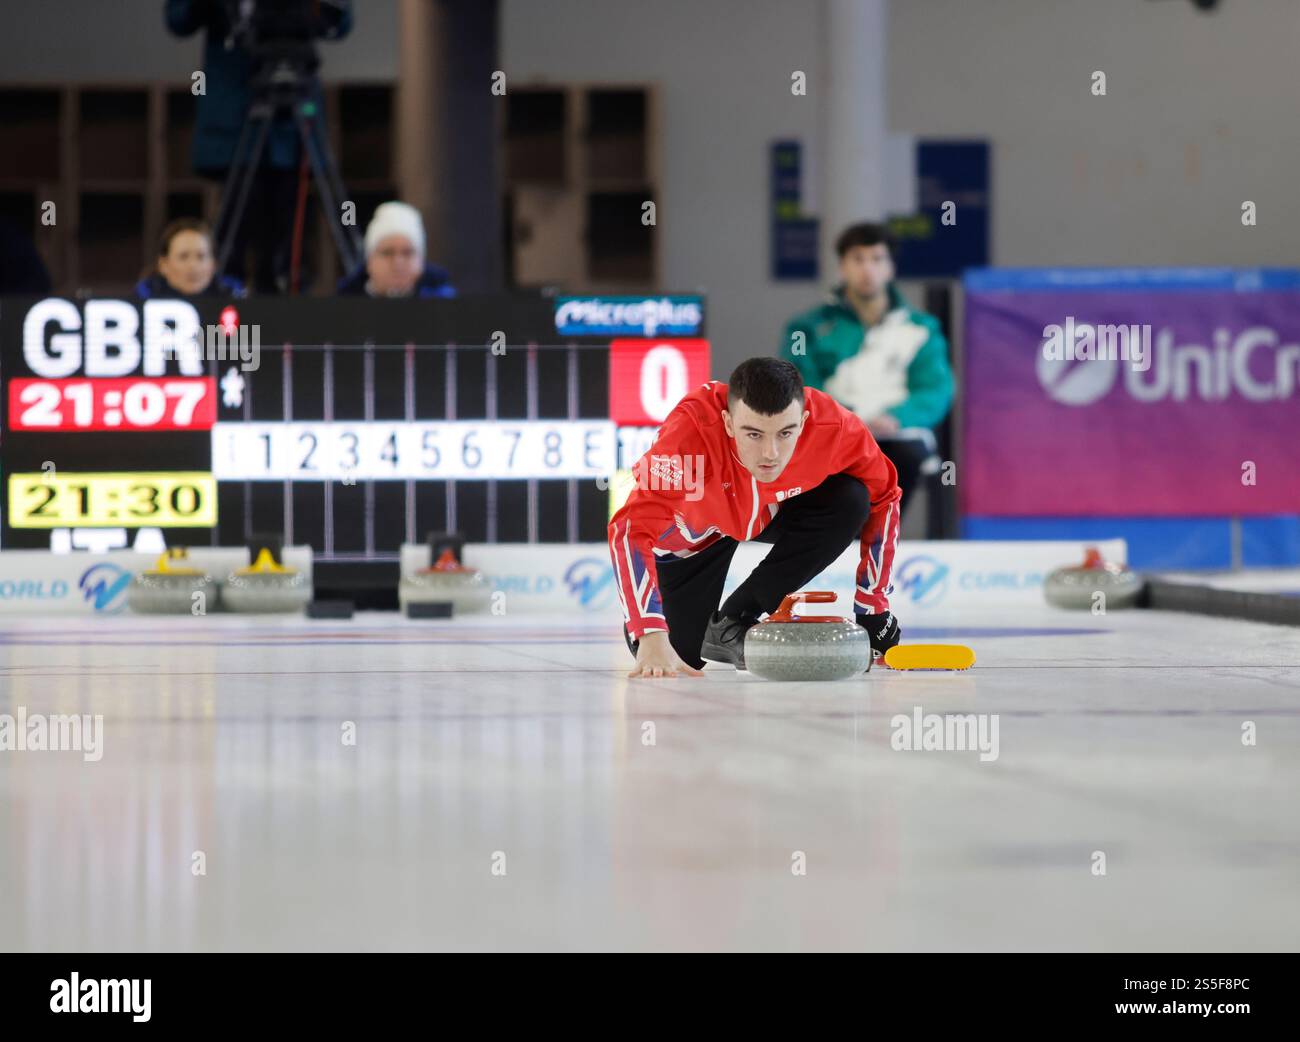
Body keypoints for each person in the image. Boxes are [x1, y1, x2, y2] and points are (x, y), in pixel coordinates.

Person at [609, 357, 902, 680]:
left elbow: (885, 496)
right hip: (695, 537)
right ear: (728, 422)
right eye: (754, 434)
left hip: (769, 510)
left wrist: (873, 607)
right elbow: (630, 529)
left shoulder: (833, 429)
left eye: (785, 433)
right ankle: (689, 630)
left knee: (850, 498)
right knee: (678, 655)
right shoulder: (690, 437)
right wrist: (649, 629)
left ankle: (735, 618)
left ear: (803, 421)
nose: (770, 453)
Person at [164, 0, 353, 293]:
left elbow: (339, 22)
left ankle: (289, 306)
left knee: (291, 240)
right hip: (234, 108)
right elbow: (178, 19)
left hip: (293, 115)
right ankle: (224, 309)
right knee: (235, 233)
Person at [781, 221, 954, 516]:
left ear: (890, 268)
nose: (867, 269)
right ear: (842, 267)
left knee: (906, 457)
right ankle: (841, 536)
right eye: (858, 259)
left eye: (877, 259)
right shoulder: (807, 328)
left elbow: (937, 387)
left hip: (898, 437)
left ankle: (877, 534)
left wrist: (897, 417)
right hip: (834, 435)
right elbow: (798, 383)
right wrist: (844, 418)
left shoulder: (921, 329)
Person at [336, 202, 456, 298]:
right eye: (387, 252)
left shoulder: (445, 305)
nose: (398, 262)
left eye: (408, 253)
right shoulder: (341, 307)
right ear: (370, 260)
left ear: (421, 261)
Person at [135, 218, 244, 300]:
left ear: (213, 264)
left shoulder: (235, 298)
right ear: (163, 265)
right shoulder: (144, 301)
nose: (193, 265)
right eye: (183, 256)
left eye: (201, 257)